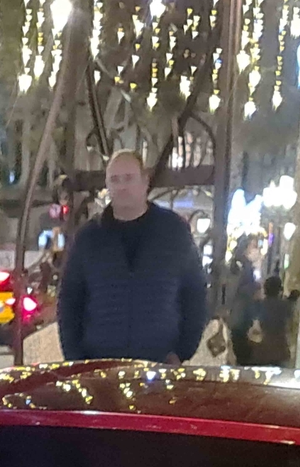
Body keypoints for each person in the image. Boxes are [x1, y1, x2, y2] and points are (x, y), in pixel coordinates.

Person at [56, 151, 207, 365]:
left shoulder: (173, 232)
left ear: (144, 181)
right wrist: (76, 360)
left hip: (159, 367)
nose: (122, 186)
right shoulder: (89, 238)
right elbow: (70, 301)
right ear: (107, 185)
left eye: (128, 178)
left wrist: (182, 351)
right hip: (101, 369)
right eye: (115, 180)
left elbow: (195, 293)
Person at [250, 273, 300, 369]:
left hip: (261, 350)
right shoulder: (285, 306)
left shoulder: (259, 305)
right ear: (279, 290)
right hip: (280, 349)